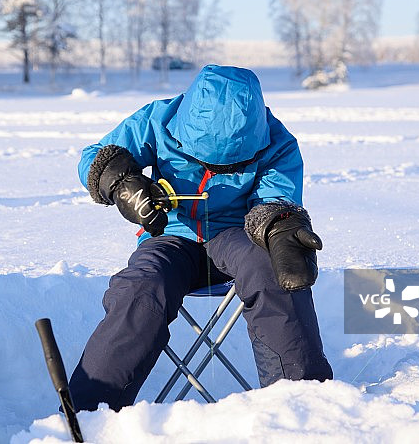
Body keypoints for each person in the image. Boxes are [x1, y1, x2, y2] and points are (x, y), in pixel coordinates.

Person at [69, 64, 333, 412]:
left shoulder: (276, 140)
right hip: (170, 235)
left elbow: (274, 200)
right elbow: (96, 158)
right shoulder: (156, 119)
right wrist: (122, 185)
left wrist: (281, 229)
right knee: (141, 288)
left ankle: (302, 405)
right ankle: (86, 413)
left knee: (274, 273)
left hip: (238, 236)